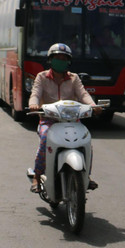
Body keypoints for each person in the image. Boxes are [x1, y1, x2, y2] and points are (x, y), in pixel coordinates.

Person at [28, 42, 100, 192]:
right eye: (57, 58)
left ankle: (86, 176)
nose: (60, 61)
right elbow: (35, 94)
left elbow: (83, 94)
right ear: (50, 60)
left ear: (69, 61)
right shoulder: (41, 77)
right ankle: (37, 175)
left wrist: (93, 106)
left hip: (72, 120)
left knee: (86, 140)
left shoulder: (74, 79)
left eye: (64, 58)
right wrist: (33, 104)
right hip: (49, 120)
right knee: (44, 139)